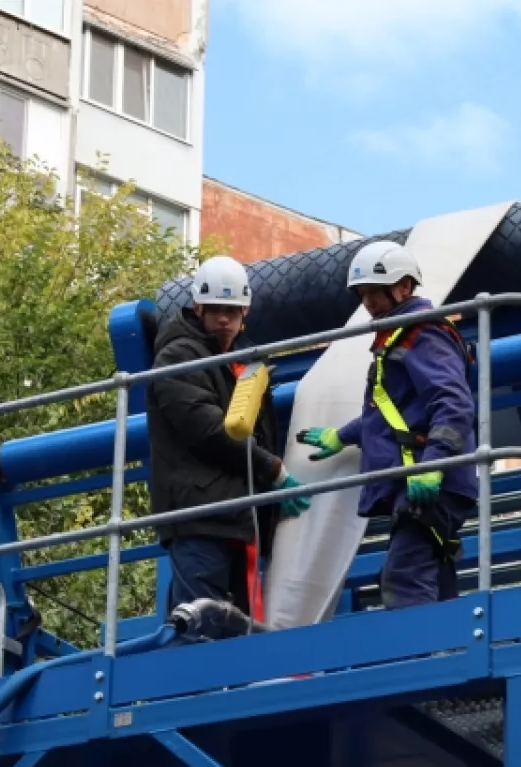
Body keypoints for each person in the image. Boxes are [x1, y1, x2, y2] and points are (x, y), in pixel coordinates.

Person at [296, 241, 477, 608]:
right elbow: (393, 414)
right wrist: (343, 436)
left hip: (428, 480)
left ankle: (423, 664)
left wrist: (434, 463)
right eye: (362, 295)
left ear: (404, 287)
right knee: (430, 579)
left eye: (374, 293)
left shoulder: (423, 333)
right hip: (423, 480)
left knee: (404, 578)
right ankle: (452, 658)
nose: (368, 304)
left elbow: (454, 403)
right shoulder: (397, 337)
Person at [146, 256, 308, 621]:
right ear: (198, 306)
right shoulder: (177, 358)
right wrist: (273, 470)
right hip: (202, 517)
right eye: (217, 309)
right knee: (203, 625)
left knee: (235, 627)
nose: (224, 319)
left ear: (245, 311)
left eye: (232, 311)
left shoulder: (242, 362)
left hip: (236, 517)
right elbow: (207, 429)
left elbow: (255, 432)